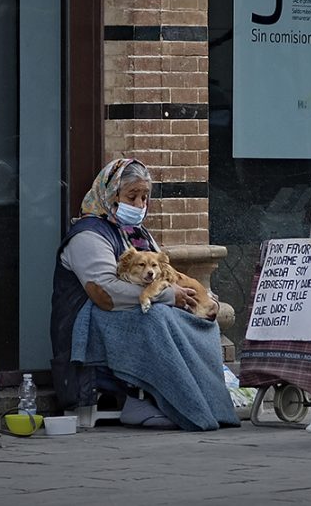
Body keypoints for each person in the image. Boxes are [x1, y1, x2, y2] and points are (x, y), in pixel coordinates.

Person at [49, 158, 239, 431]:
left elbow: (163, 274)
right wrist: (165, 296)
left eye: (144, 197)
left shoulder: (138, 234)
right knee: (157, 319)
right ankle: (154, 402)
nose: (139, 205)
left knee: (201, 324)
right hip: (89, 323)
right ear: (110, 195)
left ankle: (202, 403)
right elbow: (105, 293)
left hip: (131, 312)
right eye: (132, 196)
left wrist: (188, 297)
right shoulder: (87, 236)